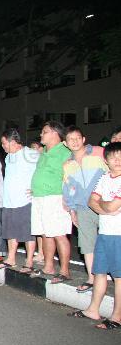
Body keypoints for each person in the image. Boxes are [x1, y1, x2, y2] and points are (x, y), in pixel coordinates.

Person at [71, 142, 121, 329]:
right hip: (105, 232)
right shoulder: (104, 178)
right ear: (106, 160)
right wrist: (107, 206)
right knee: (99, 272)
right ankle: (93, 310)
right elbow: (92, 201)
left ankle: (117, 316)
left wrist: (105, 206)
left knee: (119, 277)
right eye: (114, 157)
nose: (118, 161)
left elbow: (111, 205)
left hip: (119, 235)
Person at [62, 125, 107, 292]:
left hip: (105, 204)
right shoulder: (67, 164)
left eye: (77, 138)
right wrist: (72, 210)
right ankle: (91, 278)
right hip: (83, 208)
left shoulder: (99, 153)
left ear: (83, 139)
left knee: (111, 241)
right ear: (65, 143)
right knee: (87, 244)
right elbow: (68, 189)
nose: (74, 141)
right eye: (70, 139)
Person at [31, 121, 73, 283]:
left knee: (58, 233)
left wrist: (67, 197)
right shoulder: (44, 153)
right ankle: (48, 266)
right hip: (39, 197)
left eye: (44, 132)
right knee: (45, 233)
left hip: (55, 197)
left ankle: (65, 270)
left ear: (55, 133)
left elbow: (71, 174)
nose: (41, 135)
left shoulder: (65, 151)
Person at [0, 129, 40, 272]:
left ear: (13, 142)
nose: (2, 146)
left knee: (27, 233)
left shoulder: (30, 154)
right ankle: (11, 258)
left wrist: (37, 189)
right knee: (10, 231)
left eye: (4, 143)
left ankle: (29, 262)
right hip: (9, 201)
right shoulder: (9, 157)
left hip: (25, 201)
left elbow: (44, 170)